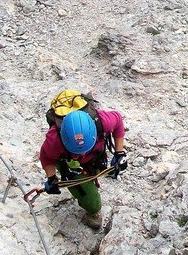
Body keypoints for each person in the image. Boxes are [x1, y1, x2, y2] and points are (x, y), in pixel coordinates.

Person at [39, 90, 127, 229]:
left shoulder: (102, 121)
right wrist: (51, 177)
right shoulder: (54, 139)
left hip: (94, 156)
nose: (81, 154)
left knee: (95, 169)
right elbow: (46, 157)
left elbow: (118, 120)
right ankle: (92, 211)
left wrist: (119, 152)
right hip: (69, 164)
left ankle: (90, 175)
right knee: (93, 202)